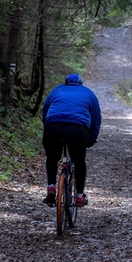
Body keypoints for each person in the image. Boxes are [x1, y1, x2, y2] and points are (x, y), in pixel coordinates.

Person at [42, 73, 101, 207]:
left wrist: (47, 129)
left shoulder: (57, 90)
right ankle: (79, 196)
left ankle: (51, 187)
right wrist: (91, 138)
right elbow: (96, 118)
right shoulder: (88, 93)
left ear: (66, 82)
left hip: (53, 126)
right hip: (77, 129)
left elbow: (45, 110)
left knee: (52, 157)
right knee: (79, 161)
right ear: (80, 83)